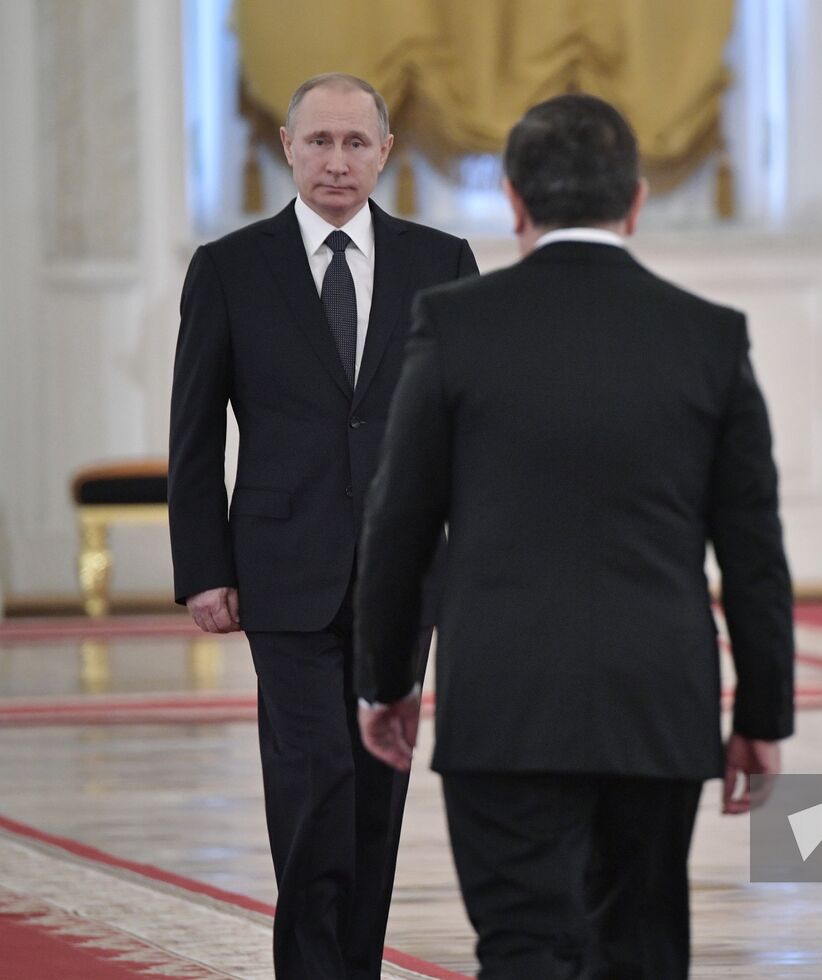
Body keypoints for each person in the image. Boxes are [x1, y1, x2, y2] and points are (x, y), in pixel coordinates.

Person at [354, 93, 795, 979]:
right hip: (656, 701)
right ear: (635, 200)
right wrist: (761, 714)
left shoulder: (455, 324)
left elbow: (398, 524)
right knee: (640, 949)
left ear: (514, 201)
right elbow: (752, 548)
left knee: (522, 948)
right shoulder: (709, 337)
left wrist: (386, 680)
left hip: (504, 699)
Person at [167, 72, 477, 978]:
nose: (336, 161)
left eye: (354, 143)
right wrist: (202, 566)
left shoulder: (441, 262)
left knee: (376, 794)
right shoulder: (229, 268)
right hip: (281, 569)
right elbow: (193, 434)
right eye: (318, 142)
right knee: (314, 787)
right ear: (287, 148)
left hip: (404, 577)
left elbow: (468, 428)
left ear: (384, 152)